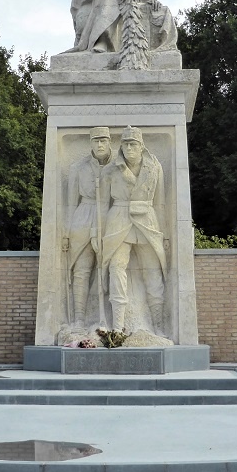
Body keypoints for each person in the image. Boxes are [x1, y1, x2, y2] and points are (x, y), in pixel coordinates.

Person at [99, 126, 168, 333]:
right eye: (126, 144)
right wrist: (96, 232)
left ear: (141, 146)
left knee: (153, 272)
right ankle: (118, 327)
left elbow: (161, 204)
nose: (129, 148)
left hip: (147, 220)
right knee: (116, 268)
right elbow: (102, 205)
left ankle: (158, 326)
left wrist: (165, 235)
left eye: (133, 144)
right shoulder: (110, 170)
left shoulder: (154, 167)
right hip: (118, 219)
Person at [62, 127, 113, 326]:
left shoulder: (118, 166)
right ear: (90, 143)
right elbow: (71, 203)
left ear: (109, 142)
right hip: (83, 216)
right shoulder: (78, 168)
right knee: (81, 270)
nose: (100, 145)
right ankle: (79, 318)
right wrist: (66, 232)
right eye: (96, 141)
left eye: (103, 141)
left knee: (110, 269)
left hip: (109, 217)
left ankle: (110, 319)